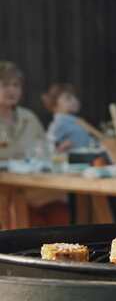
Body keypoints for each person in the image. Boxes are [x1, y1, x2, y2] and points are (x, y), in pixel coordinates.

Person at [0, 61, 68, 226]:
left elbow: (45, 153)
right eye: (5, 84)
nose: (12, 90)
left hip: (38, 188)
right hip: (5, 192)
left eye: (16, 85)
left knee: (58, 210)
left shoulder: (29, 117)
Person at [42, 83, 93, 152]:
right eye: (68, 98)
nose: (74, 100)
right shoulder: (59, 123)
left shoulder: (75, 121)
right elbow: (49, 145)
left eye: (75, 97)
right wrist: (59, 148)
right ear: (55, 104)